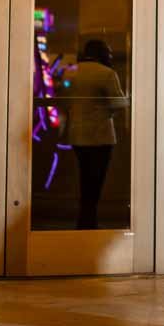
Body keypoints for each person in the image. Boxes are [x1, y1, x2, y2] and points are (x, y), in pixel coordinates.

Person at [66, 39, 123, 230]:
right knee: (95, 182)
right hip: (100, 136)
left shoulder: (72, 71)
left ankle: (84, 221)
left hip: (77, 135)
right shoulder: (106, 74)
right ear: (103, 53)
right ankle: (89, 223)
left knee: (84, 179)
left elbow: (64, 100)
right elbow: (119, 103)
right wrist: (105, 113)